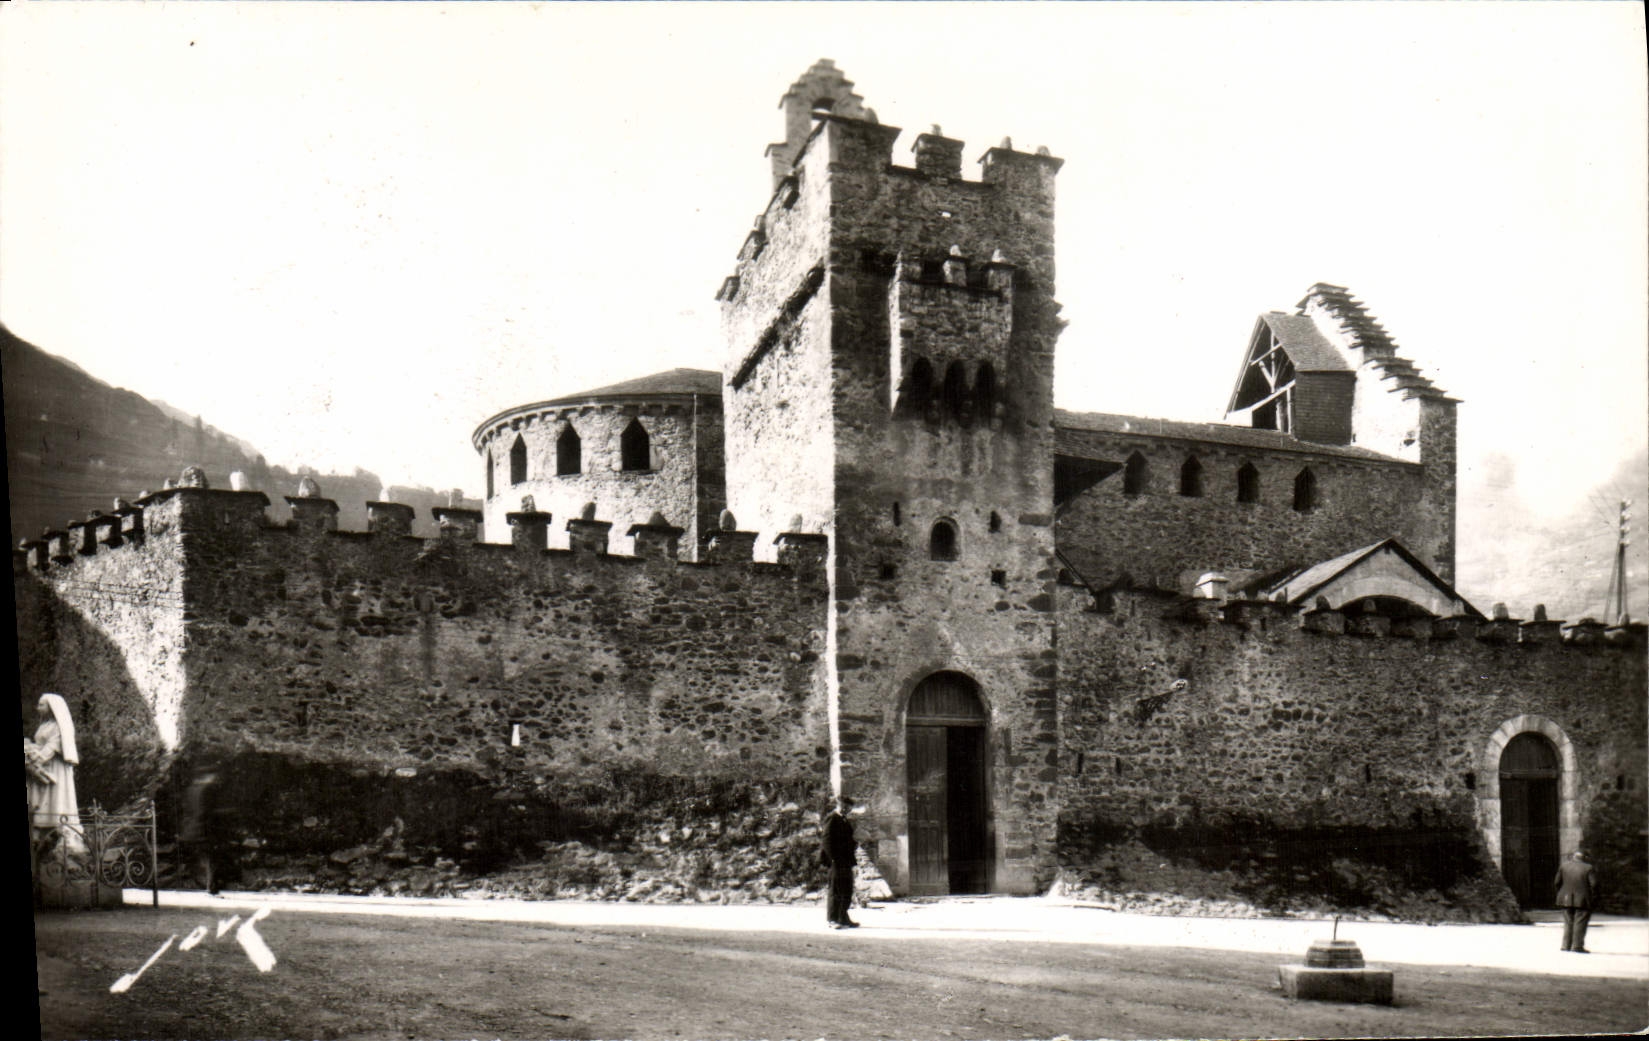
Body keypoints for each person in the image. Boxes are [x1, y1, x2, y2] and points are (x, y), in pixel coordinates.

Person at [24, 693, 84, 853]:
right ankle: (43, 834)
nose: (38, 708)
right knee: (44, 801)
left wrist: (35, 758)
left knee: (57, 800)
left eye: (41, 705)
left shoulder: (59, 727)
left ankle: (63, 834)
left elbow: (52, 747)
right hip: (43, 769)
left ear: (51, 707)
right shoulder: (44, 725)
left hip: (56, 769)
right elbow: (40, 744)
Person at [820, 795, 859, 929]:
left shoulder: (844, 820)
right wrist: (833, 859)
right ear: (839, 806)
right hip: (836, 861)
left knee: (846, 889)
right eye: (844, 807)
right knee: (835, 890)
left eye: (848, 808)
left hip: (846, 861)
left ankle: (843, 917)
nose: (846, 810)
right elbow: (827, 841)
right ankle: (832, 919)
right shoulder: (832, 818)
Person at [1554, 848, 1598, 953]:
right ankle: (1577, 946)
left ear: (1574, 857)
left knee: (1568, 922)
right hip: (1583, 899)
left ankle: (1565, 946)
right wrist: (1594, 896)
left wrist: (1562, 893)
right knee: (1580, 922)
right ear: (1585, 858)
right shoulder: (1588, 868)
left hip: (1565, 898)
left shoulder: (1564, 866)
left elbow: (1557, 882)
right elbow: (1594, 884)